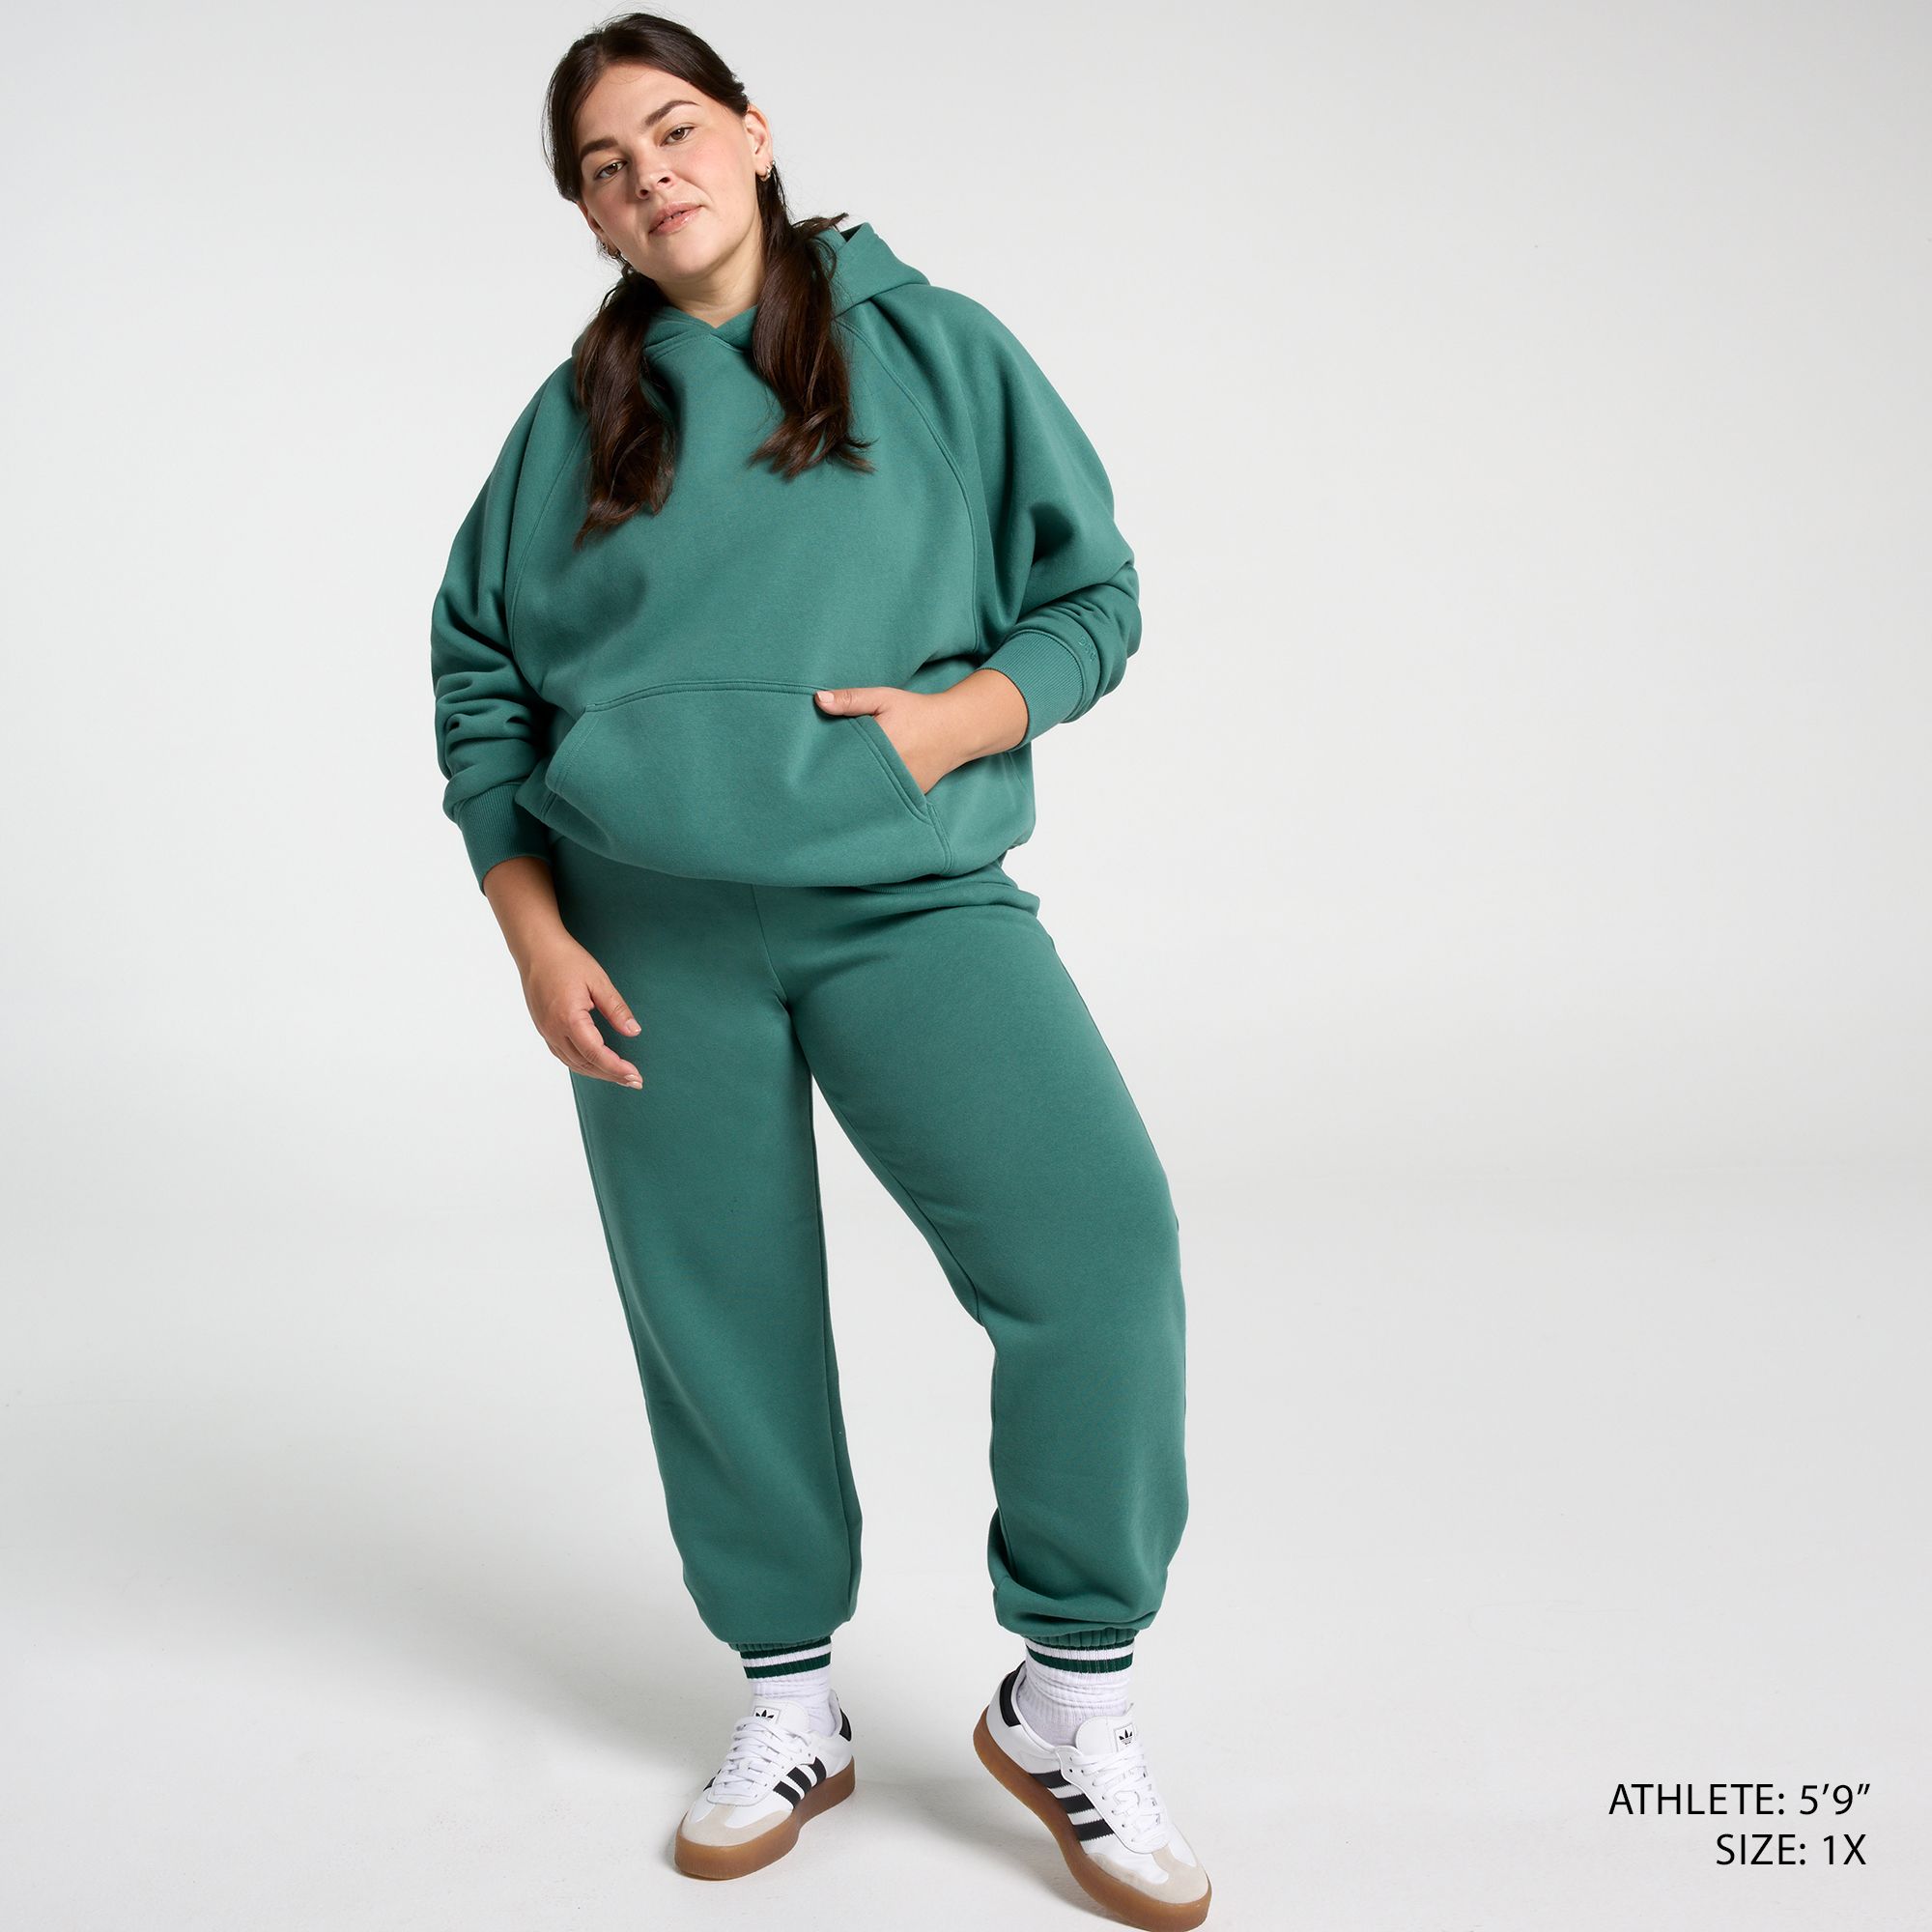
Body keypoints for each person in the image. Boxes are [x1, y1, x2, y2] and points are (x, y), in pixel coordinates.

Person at [428, 15, 1208, 1926]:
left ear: (756, 133)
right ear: (588, 215)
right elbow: (479, 679)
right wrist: (533, 930)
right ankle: (788, 1700)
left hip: (907, 899)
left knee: (1099, 1254)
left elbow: (1094, 595)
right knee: (722, 1315)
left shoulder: (940, 350)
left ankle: (1067, 1696)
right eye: (604, 165)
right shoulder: (575, 418)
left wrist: (954, 727)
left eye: (674, 129)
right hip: (644, 925)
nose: (650, 175)